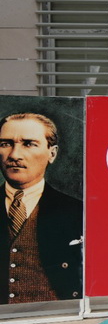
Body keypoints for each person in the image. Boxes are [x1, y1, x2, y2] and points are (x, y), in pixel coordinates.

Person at [0, 112, 83, 305]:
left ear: (51, 154)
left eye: (29, 144)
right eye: (5, 144)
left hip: (56, 317)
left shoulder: (77, 211)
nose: (14, 155)